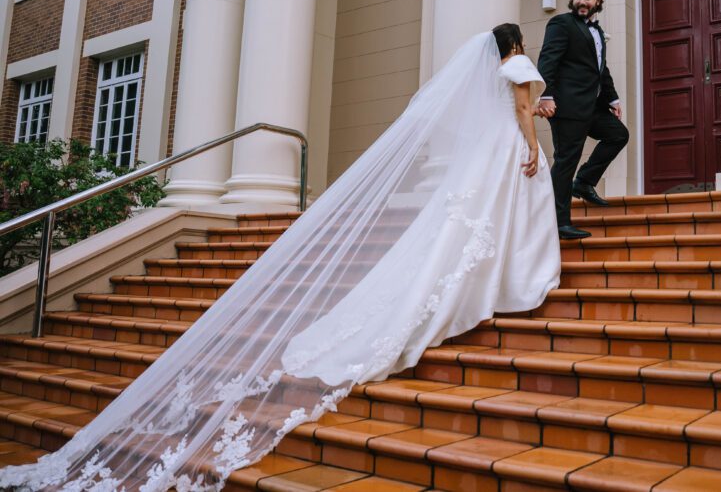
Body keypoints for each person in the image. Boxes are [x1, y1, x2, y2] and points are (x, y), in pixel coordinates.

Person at [0, 25, 561, 492]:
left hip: (487, 155)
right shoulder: (517, 67)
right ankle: (513, 281)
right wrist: (533, 140)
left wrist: (535, 114)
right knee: (498, 218)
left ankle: (495, 280)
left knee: (473, 224)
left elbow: (516, 105)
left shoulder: (493, 70)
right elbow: (520, 110)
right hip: (508, 149)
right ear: (515, 45)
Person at [537, 0, 629, 240]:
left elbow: (601, 69)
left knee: (618, 135)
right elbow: (548, 60)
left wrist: (612, 99)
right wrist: (546, 95)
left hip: (592, 107)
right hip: (566, 107)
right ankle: (559, 222)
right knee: (566, 160)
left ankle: (585, 182)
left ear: (598, 0)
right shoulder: (561, 24)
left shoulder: (597, 32)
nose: (582, 2)